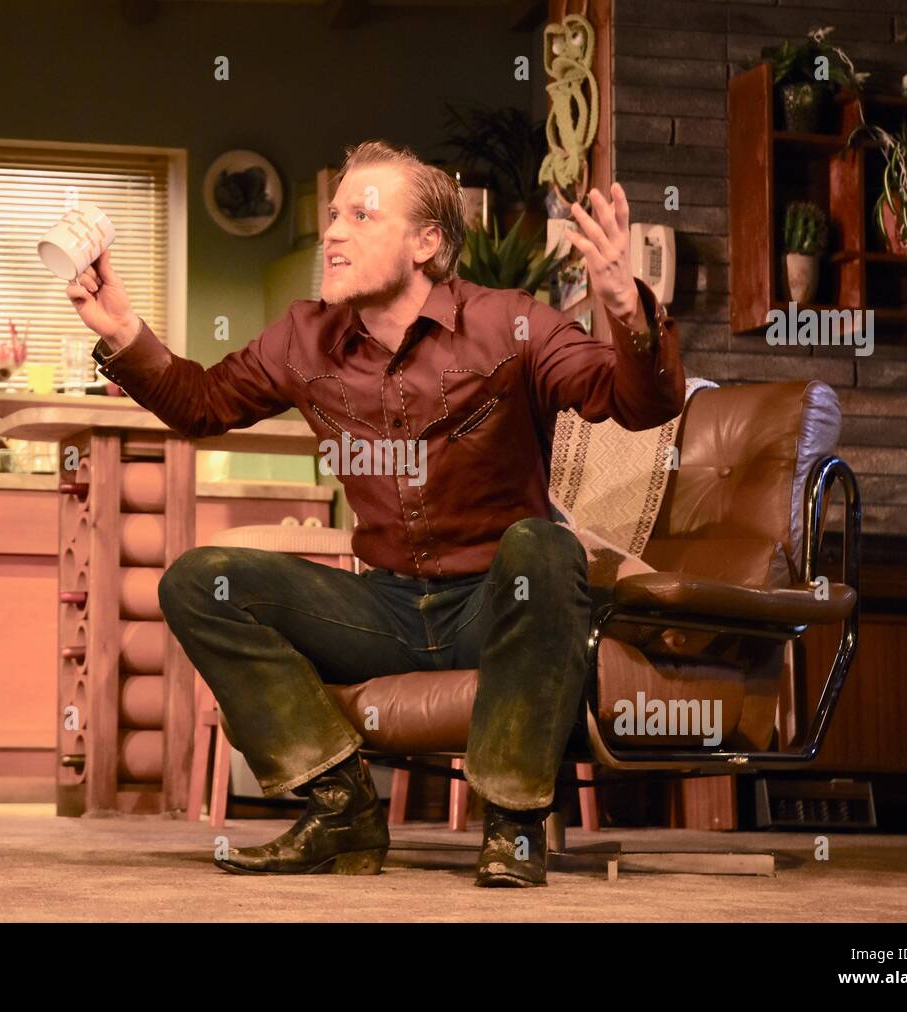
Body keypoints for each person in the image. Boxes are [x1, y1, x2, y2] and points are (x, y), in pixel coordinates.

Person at [66, 139, 685, 887]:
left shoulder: (512, 324)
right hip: (386, 611)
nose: (332, 232)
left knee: (544, 547)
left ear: (427, 243)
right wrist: (124, 331)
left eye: (361, 215)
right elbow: (202, 406)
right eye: (333, 215)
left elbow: (641, 404)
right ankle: (341, 810)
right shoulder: (304, 338)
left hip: (500, 605)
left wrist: (627, 310)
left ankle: (514, 826)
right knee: (202, 581)